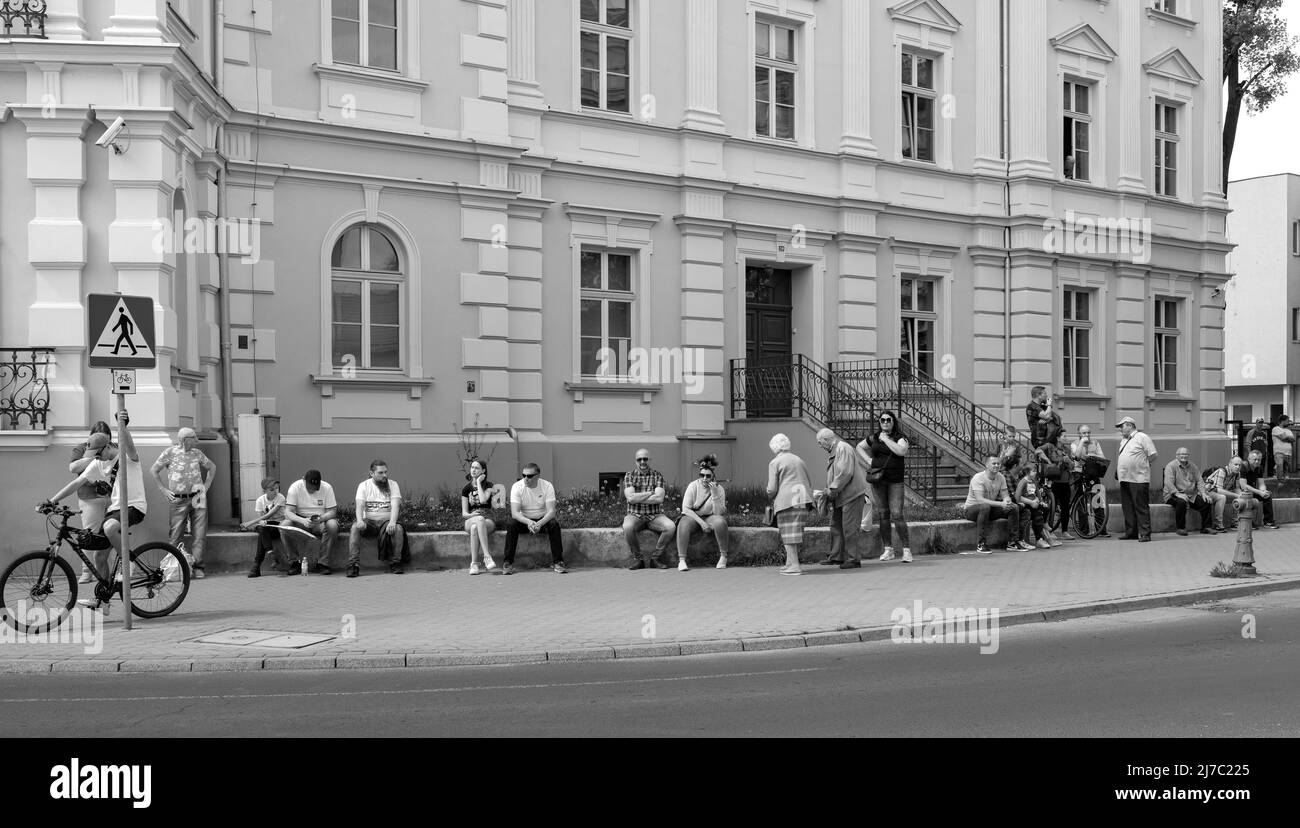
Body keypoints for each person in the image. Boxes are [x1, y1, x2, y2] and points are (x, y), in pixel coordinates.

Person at [39, 410, 146, 612]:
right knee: (99, 556)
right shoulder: (99, 462)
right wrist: (51, 501)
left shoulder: (127, 457)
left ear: (108, 446)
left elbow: (129, 444)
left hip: (134, 506)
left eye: (99, 453)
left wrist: (123, 425)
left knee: (110, 526)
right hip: (115, 508)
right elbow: (77, 482)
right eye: (94, 455)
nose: (96, 458)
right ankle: (103, 600)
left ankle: (127, 563)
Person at [151, 426, 216, 580]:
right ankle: (174, 567)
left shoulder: (197, 453)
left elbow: (211, 467)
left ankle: (198, 566)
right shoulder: (170, 452)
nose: (197, 440)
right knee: (175, 534)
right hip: (178, 498)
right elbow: (154, 470)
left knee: (199, 533)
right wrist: (163, 490)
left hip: (198, 497)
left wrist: (206, 487)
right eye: (194, 437)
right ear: (185, 439)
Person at [856, 410, 913, 563]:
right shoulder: (874, 437)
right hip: (878, 480)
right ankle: (888, 549)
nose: (885, 422)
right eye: (883, 420)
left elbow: (901, 451)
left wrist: (885, 439)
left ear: (893, 422)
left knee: (897, 514)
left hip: (895, 481)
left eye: (888, 420)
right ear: (879, 422)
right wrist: (869, 461)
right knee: (883, 514)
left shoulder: (900, 438)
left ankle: (906, 550)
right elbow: (859, 447)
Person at [815, 427, 868, 569]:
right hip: (841, 495)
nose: (819, 446)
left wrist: (831, 490)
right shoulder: (836, 450)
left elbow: (845, 473)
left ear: (826, 440)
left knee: (850, 528)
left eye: (820, 442)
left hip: (851, 495)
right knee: (836, 526)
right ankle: (836, 557)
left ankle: (853, 559)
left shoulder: (842, 448)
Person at [69, 421, 114, 584]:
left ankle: (114, 571)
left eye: (108, 439)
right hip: (90, 498)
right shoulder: (82, 448)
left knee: (112, 534)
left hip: (111, 497)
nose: (106, 443)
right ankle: (87, 571)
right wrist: (94, 456)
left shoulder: (113, 447)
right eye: (102, 440)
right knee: (89, 535)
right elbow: (73, 468)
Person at [504, 463, 567, 574]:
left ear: (537, 476)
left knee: (554, 524)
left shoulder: (547, 486)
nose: (525, 479)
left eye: (529, 476)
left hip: (543, 520)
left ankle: (558, 562)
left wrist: (540, 523)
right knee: (511, 524)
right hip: (525, 521)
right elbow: (515, 513)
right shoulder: (517, 487)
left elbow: (551, 511)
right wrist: (529, 522)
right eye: (524, 475)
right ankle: (508, 563)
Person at [347, 460, 405, 578]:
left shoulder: (393, 484)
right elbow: (359, 505)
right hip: (370, 523)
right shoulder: (364, 485)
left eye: (385, 472)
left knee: (398, 529)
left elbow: (395, 505)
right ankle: (353, 565)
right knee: (354, 528)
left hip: (386, 522)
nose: (385, 475)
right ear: (372, 473)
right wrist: (359, 521)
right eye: (380, 473)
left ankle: (396, 562)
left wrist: (393, 522)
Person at [767, 433, 814, 575]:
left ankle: (794, 566)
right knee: (794, 531)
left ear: (774, 447)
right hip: (803, 499)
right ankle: (790, 563)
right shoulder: (798, 459)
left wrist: (769, 494)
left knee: (788, 532)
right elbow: (808, 480)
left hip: (787, 500)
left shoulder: (775, 462)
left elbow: (772, 488)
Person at [622, 448, 675, 569]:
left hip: (655, 515)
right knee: (627, 527)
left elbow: (659, 499)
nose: (642, 462)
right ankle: (638, 559)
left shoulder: (657, 475)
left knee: (670, 527)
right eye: (639, 459)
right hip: (634, 515)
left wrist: (637, 497)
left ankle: (655, 559)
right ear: (635, 461)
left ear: (649, 460)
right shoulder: (629, 476)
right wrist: (650, 493)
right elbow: (630, 498)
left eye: (645, 459)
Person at [676, 455, 729, 571]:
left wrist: (714, 494)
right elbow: (686, 509)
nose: (704, 478)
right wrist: (702, 523)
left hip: (710, 516)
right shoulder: (693, 486)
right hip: (694, 517)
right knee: (683, 524)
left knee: (720, 522)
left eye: (708, 476)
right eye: (702, 475)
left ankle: (723, 556)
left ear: (713, 476)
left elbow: (718, 513)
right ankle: (682, 560)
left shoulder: (719, 489)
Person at [961, 455, 1024, 554]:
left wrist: (1007, 501)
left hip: (989, 510)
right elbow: (980, 499)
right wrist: (1000, 504)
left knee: (1013, 508)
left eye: (998, 463)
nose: (996, 465)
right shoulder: (978, 478)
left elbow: (1005, 494)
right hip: (971, 510)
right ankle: (981, 544)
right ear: (986, 465)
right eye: (993, 463)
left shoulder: (1001, 477)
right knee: (985, 506)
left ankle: (1012, 542)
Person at [283, 469, 339, 574]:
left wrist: (321, 519)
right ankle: (294, 563)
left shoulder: (327, 488)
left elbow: (333, 512)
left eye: (315, 488)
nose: (312, 490)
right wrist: (302, 520)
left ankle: (323, 563)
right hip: (301, 520)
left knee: (332, 525)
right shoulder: (295, 487)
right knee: (285, 525)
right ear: (303, 480)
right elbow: (288, 512)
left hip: (319, 521)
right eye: (309, 488)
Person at [1115, 416, 1158, 542]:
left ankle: (1145, 533)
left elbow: (1153, 454)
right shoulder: (1123, 440)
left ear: (1129, 425)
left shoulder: (1142, 437)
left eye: (1121, 427)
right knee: (1127, 506)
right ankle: (1131, 532)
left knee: (1141, 506)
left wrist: (1143, 465)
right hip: (1125, 478)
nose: (1120, 430)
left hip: (1139, 478)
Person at [242, 478, 293, 578]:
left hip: (277, 526)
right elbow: (260, 518)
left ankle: (257, 565)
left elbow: (270, 513)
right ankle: (269, 552)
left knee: (262, 533)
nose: (275, 491)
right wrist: (261, 522)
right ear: (265, 491)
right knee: (262, 528)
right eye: (272, 489)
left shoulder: (280, 498)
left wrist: (254, 522)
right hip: (266, 527)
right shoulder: (260, 501)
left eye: (277, 488)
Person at [1035, 412, 1073, 540]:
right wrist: (1048, 461)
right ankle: (1049, 531)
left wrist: (1069, 462)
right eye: (1064, 436)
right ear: (1058, 438)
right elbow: (1038, 450)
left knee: (1065, 507)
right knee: (1051, 507)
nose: (1066, 438)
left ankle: (1065, 531)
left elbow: (1072, 466)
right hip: (1054, 482)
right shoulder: (1050, 446)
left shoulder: (1067, 450)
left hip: (1065, 481)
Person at [461, 459, 501, 575]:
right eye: (472, 467)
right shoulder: (466, 489)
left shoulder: (489, 486)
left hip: (487, 519)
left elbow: (483, 500)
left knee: (476, 527)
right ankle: (487, 556)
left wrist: (478, 482)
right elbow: (464, 513)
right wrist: (471, 515)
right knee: (477, 520)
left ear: (483, 471)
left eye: (477, 468)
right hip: (471, 518)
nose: (473, 470)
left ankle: (474, 564)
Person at [1162, 447, 1214, 535]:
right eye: (1181, 454)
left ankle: (1206, 527)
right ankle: (1180, 528)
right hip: (1172, 495)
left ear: (1188, 455)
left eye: (1186, 454)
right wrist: (1177, 493)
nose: (1184, 456)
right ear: (1177, 456)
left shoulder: (1192, 466)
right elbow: (1168, 482)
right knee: (1181, 502)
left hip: (1190, 495)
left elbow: (1199, 480)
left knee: (1206, 502)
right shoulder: (1171, 466)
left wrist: (1203, 493)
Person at [1070, 424, 1110, 537]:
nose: (1086, 435)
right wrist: (1082, 442)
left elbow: (1102, 457)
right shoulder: (1074, 444)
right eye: (1084, 433)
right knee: (1081, 504)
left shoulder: (1095, 443)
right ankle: (1083, 531)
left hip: (1093, 474)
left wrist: (1092, 455)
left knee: (1097, 501)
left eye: (1088, 432)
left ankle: (1101, 530)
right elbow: (1077, 456)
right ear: (1079, 434)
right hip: (1079, 474)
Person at [1013, 460, 1057, 548]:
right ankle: (1038, 539)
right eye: (1033, 471)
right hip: (1026, 504)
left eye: (1036, 471)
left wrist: (1041, 501)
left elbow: (1037, 493)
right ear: (1028, 472)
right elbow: (1017, 496)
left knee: (1045, 508)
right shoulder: (1023, 482)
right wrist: (1031, 502)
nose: (1036, 472)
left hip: (1034, 503)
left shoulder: (1034, 481)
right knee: (1037, 516)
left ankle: (1044, 526)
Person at [1240, 451, 1279, 529]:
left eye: (1259, 459)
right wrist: (1259, 492)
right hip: (1242, 492)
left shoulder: (1259, 468)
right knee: (1248, 496)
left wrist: (1264, 491)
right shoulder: (1243, 466)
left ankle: (1268, 522)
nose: (1257, 461)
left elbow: (1261, 483)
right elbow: (1243, 486)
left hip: (1252, 491)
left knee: (1267, 496)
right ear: (1249, 459)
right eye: (1255, 459)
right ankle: (1249, 522)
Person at [1206, 457, 1243, 531]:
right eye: (1235, 464)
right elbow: (1218, 489)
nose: (1238, 467)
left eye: (1239, 465)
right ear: (1230, 464)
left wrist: (1241, 495)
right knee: (1222, 497)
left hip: (1221, 493)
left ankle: (1235, 522)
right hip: (1208, 492)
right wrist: (1236, 495)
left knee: (1240, 499)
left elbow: (1237, 488)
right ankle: (1217, 524)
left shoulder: (1237, 473)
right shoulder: (1222, 471)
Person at [1272, 415, 1295, 480]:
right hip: (1279, 452)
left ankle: (1285, 486)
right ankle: (1279, 482)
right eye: (1287, 421)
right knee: (1280, 466)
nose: (1288, 422)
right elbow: (1283, 438)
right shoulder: (1275, 429)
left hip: (1288, 453)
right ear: (1283, 421)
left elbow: (1293, 439)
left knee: (1286, 469)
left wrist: (1286, 437)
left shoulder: (1288, 430)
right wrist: (1288, 437)